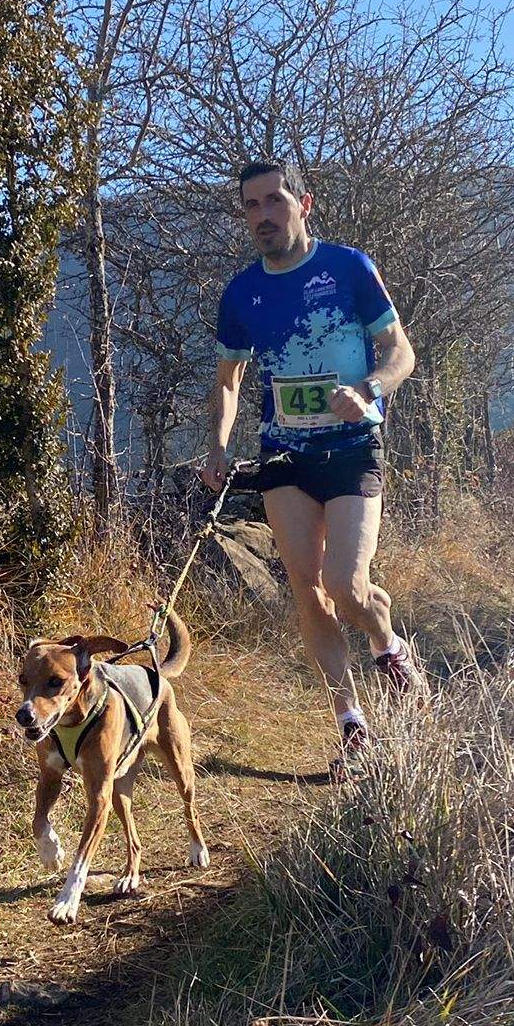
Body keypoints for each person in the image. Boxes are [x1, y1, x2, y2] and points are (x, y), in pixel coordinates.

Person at [201, 156, 420, 770]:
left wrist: (371, 390)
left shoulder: (347, 268)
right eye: (251, 206)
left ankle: (387, 646)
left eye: (274, 201)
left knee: (348, 587)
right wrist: (219, 444)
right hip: (283, 455)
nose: (262, 215)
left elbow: (399, 349)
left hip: (351, 448)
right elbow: (228, 380)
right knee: (307, 587)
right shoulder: (242, 292)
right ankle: (350, 722)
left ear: (303, 203)